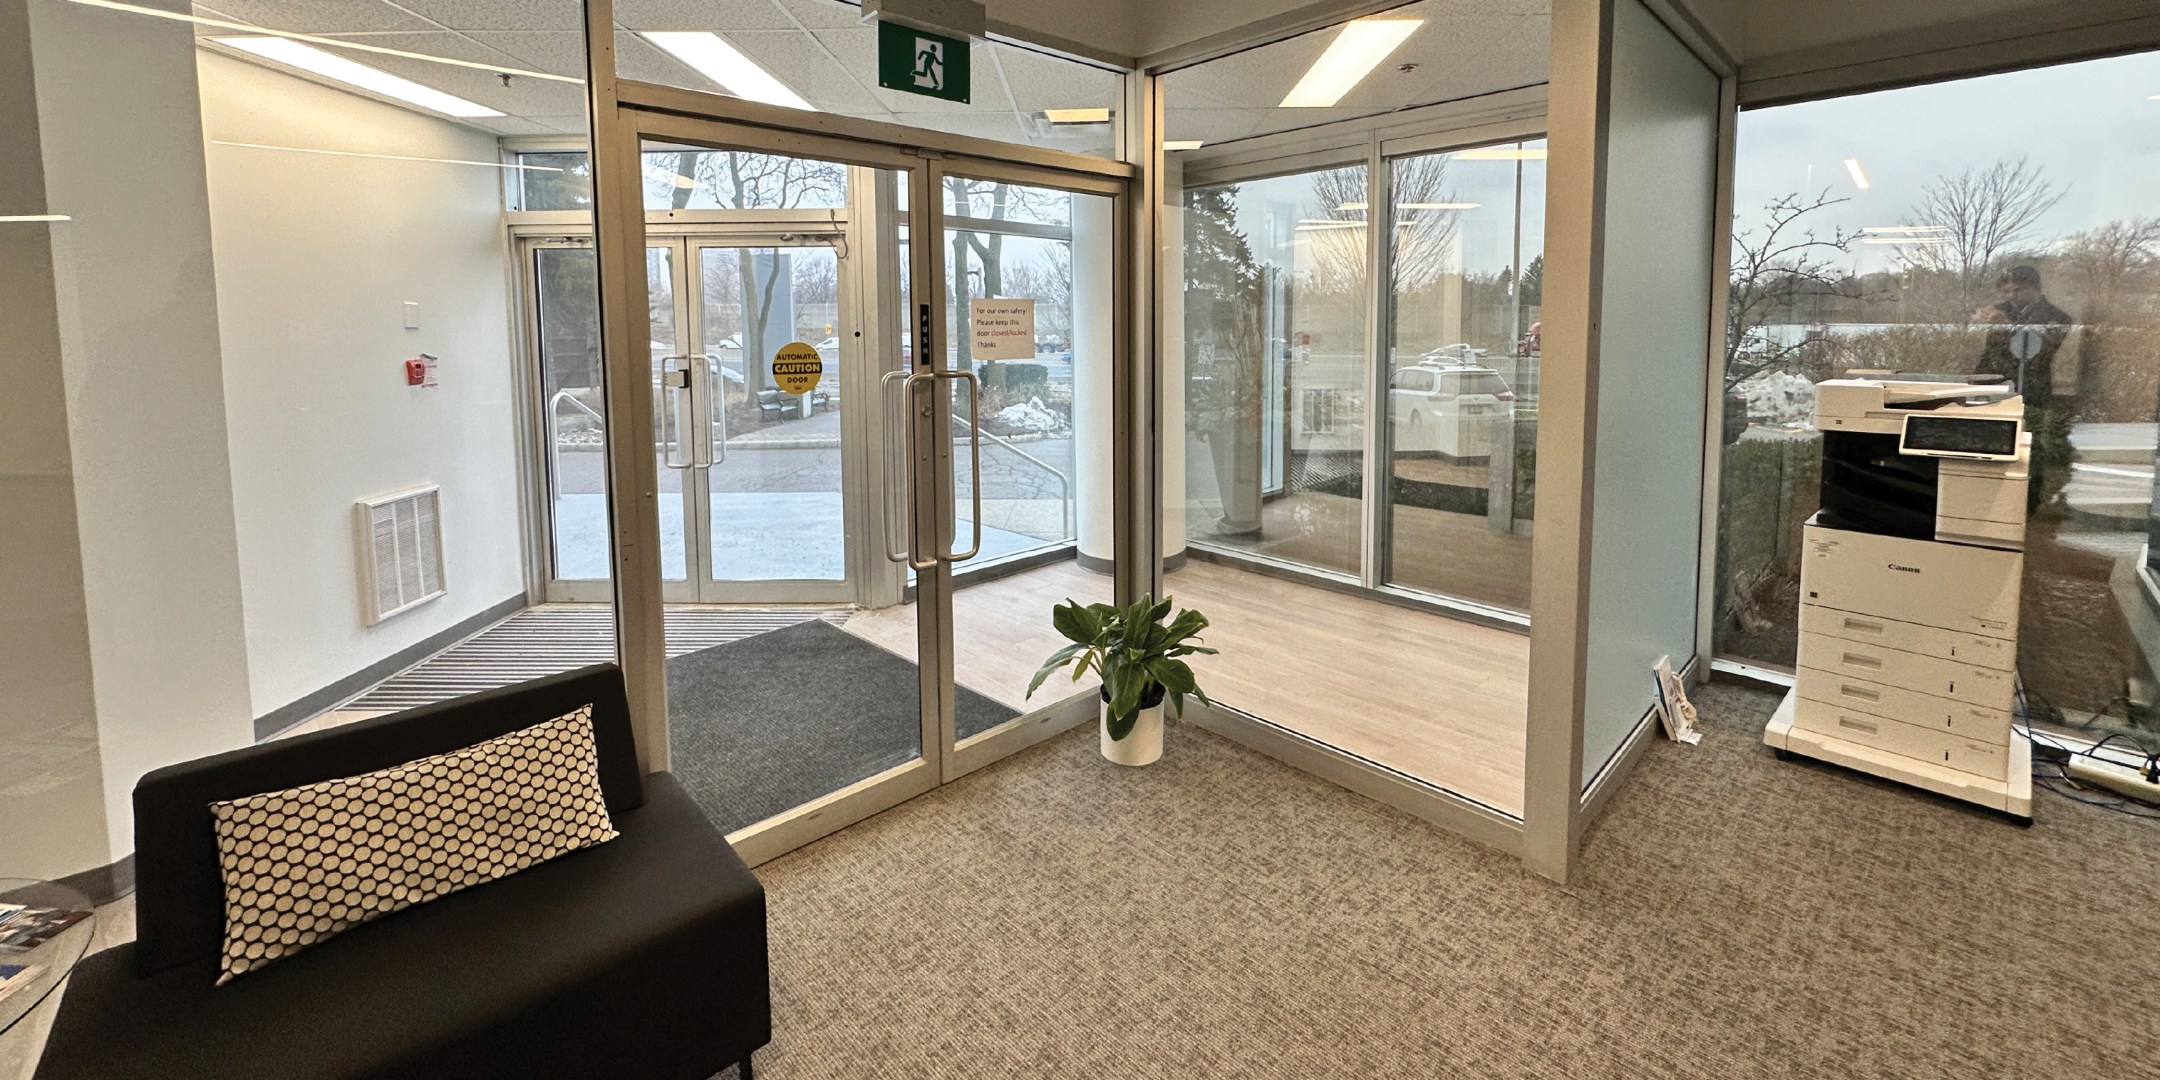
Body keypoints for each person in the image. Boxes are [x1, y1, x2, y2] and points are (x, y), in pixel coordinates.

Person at [1974, 265, 2074, 515]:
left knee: (2032, 450)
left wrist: (2007, 328)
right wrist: (1976, 383)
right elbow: (1990, 355)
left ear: (2035, 289)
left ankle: (2029, 506)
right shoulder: (2001, 311)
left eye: (2017, 290)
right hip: (1996, 392)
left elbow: (2035, 357)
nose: (2010, 296)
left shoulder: (2056, 317)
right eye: (2006, 290)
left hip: (2032, 392)